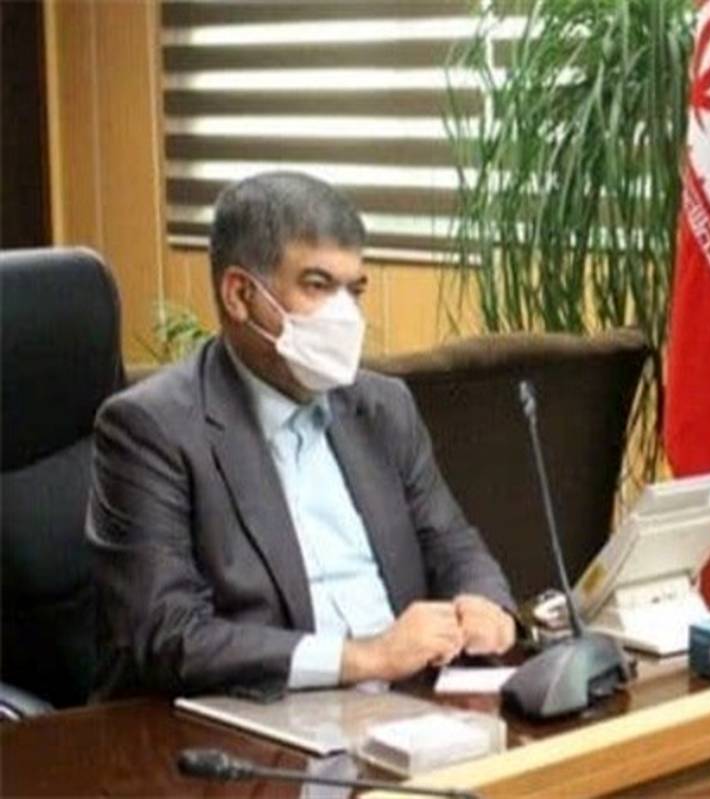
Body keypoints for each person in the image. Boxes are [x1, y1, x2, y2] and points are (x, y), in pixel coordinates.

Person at [87, 172, 516, 700]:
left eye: (354, 290)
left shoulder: (383, 406)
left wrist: (484, 602)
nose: (345, 314)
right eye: (318, 285)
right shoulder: (151, 428)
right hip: (256, 713)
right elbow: (168, 634)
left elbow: (451, 541)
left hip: (408, 700)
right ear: (240, 295)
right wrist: (363, 657)